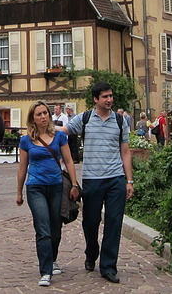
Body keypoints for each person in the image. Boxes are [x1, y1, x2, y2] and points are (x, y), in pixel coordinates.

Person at [61, 82, 133, 284]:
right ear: (95, 99)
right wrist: (40, 132)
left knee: (114, 222)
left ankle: (108, 266)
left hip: (115, 179)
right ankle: (92, 251)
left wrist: (129, 180)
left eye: (110, 96)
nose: (109, 100)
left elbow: (125, 152)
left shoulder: (120, 121)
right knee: (90, 222)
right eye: (105, 97)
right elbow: (63, 131)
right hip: (92, 180)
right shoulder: (84, 118)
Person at [16, 101, 80, 287]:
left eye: (45, 113)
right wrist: (19, 192)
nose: (43, 116)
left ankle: (52, 259)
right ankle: (45, 271)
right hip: (35, 187)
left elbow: (68, 161)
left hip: (56, 186)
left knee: (55, 228)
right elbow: (22, 168)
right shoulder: (26, 140)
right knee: (42, 228)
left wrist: (74, 185)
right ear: (32, 119)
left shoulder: (59, 136)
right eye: (39, 114)